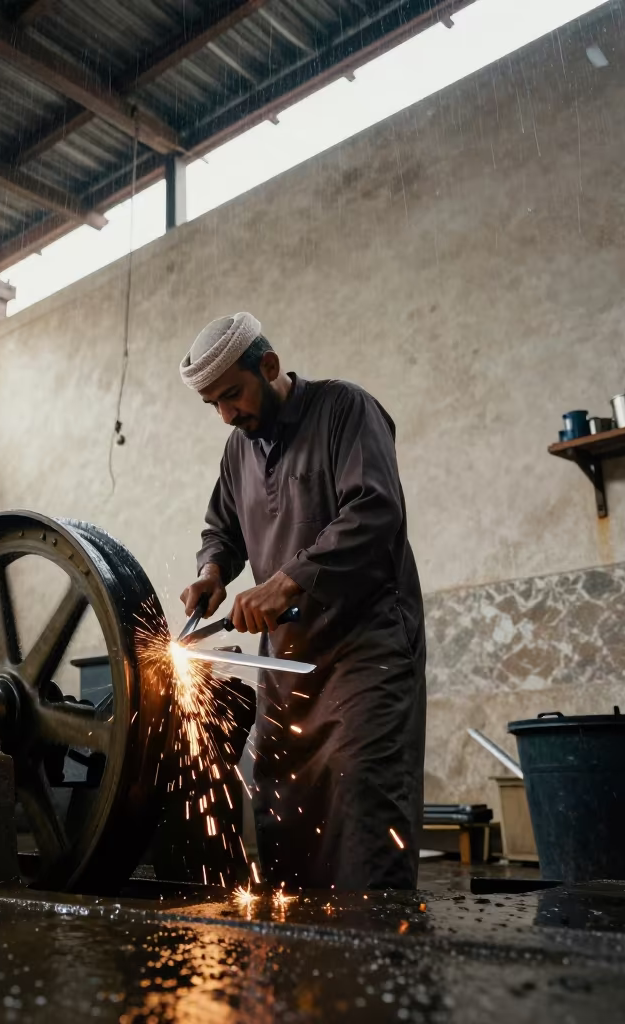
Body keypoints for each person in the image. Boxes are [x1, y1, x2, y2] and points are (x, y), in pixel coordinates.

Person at [178, 311, 426, 890]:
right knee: (279, 804)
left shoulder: (345, 409)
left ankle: (378, 963)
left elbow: (375, 511)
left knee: (363, 793)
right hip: (286, 663)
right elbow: (222, 528)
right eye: (213, 404)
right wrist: (213, 571)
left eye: (233, 395)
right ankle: (301, 974)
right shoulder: (238, 449)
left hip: (366, 651)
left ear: (269, 366)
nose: (226, 415)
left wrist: (286, 580)